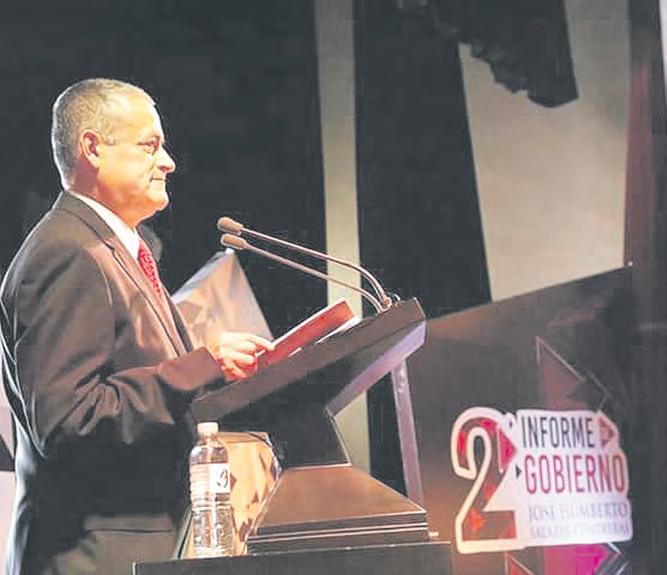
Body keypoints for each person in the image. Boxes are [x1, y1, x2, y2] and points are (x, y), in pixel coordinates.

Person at [0, 78, 273, 575]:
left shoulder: (114, 250)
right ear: (92, 149)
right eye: (149, 145)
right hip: (91, 557)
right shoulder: (68, 252)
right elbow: (68, 421)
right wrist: (200, 367)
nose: (168, 162)